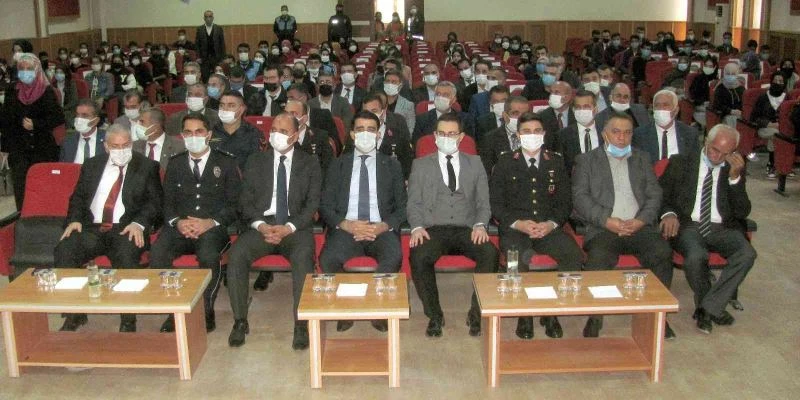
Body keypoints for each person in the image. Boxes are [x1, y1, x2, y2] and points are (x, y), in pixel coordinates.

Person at [572, 111, 675, 340]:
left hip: (639, 226)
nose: (622, 137)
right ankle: (595, 316)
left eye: (627, 133)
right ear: (604, 134)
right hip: (604, 228)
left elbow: (654, 195)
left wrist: (641, 220)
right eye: (616, 132)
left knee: (662, 253)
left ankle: (657, 316)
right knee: (598, 259)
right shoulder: (587, 160)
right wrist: (607, 221)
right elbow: (580, 198)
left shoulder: (642, 158)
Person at [226, 112, 321, 349]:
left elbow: (313, 204)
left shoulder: (310, 162)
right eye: (274, 130)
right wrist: (261, 225)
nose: (276, 135)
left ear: (295, 136)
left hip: (295, 227)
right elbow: (245, 201)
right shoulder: (256, 161)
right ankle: (240, 320)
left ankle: (301, 324)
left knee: (303, 257)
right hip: (263, 226)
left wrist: (288, 227)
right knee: (236, 255)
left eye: (284, 131)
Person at [54, 124, 162, 333]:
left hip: (126, 228)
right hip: (92, 227)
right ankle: (74, 313)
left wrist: (139, 223)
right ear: (105, 146)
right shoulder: (92, 165)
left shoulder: (147, 166)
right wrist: (74, 220)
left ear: (132, 144)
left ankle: (128, 318)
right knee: (65, 249)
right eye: (115, 146)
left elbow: (155, 203)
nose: (121, 150)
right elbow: (78, 197)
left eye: (126, 145)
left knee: (126, 255)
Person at [490, 112, 583, 339]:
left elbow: (565, 202)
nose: (532, 135)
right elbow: (496, 204)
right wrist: (518, 224)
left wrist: (551, 224)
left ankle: (552, 313)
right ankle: (525, 315)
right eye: (526, 131)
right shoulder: (505, 162)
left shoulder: (556, 161)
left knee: (572, 255)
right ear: (518, 135)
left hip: (547, 228)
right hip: (516, 229)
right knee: (516, 261)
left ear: (544, 134)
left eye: (537, 131)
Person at [658, 124, 755, 335]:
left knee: (747, 254)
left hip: (722, 227)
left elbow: (742, 211)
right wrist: (669, 214)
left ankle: (706, 308)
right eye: (714, 149)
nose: (718, 157)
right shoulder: (681, 162)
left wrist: (735, 179)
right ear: (706, 142)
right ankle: (711, 306)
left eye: (725, 153)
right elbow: (660, 196)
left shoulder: (733, 168)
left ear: (733, 153)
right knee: (696, 256)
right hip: (688, 225)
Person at [407, 113, 498, 337]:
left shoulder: (475, 163)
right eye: (442, 133)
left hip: (467, 227)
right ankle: (434, 315)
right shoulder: (420, 165)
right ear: (435, 136)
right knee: (419, 255)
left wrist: (480, 224)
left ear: (461, 137)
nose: (446, 138)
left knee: (490, 253)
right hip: (433, 228)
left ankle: (476, 313)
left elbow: (483, 203)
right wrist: (417, 227)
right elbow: (414, 202)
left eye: (452, 134)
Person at [151, 113, 240, 334]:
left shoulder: (226, 162)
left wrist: (211, 222)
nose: (194, 136)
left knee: (208, 255)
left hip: (212, 228)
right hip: (180, 227)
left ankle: (206, 309)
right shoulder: (175, 163)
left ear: (208, 134)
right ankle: (174, 309)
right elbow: (167, 202)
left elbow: (235, 204)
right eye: (188, 132)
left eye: (199, 131)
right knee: (158, 253)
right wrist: (178, 222)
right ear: (182, 136)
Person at [319, 111, 407, 332]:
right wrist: (346, 224)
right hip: (347, 228)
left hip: (381, 228)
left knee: (393, 256)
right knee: (328, 259)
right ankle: (347, 307)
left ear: (378, 134)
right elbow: (325, 205)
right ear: (352, 134)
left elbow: (403, 207)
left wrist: (383, 226)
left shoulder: (392, 165)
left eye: (371, 130)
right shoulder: (338, 164)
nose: (365, 134)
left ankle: (378, 309)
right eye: (360, 129)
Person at [0, 53, 64, 208]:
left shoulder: (46, 91)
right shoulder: (12, 90)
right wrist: (4, 148)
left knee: (43, 188)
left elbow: (57, 118)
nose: (25, 72)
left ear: (36, 70)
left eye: (29, 68)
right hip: (18, 147)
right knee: (22, 188)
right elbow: (6, 121)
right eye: (21, 68)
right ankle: (23, 217)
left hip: (42, 147)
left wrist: (36, 124)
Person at [355, 92, 413, 179]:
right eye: (366, 112)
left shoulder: (398, 126)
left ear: (383, 111)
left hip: (391, 178)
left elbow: (407, 158)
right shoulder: (357, 128)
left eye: (374, 111)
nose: (370, 116)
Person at [633, 89, 700, 163]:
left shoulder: (690, 134)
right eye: (657, 105)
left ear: (676, 110)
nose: (661, 109)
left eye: (666, 105)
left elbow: (693, 165)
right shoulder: (640, 134)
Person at [211, 90, 261, 170]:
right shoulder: (210, 132)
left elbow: (256, 164)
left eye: (231, 106)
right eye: (222, 105)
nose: (225, 109)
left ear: (242, 109)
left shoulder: (253, 133)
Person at [479, 95, 529, 175]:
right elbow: (486, 172)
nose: (520, 118)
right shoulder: (490, 139)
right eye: (515, 113)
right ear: (505, 116)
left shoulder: (536, 137)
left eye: (524, 114)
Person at [557, 90, 604, 174]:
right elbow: (561, 168)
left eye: (586, 106)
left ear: (595, 109)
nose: (582, 110)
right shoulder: (562, 136)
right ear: (573, 110)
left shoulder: (606, 132)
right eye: (578, 107)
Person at [286, 84, 342, 153]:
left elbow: (335, 141)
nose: (288, 101)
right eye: (287, 98)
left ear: (303, 98)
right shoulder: (285, 117)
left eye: (291, 98)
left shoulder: (323, 115)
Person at [750, 73, 786, 179]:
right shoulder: (763, 97)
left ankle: (782, 164)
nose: (778, 83)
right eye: (775, 80)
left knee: (779, 135)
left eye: (781, 81)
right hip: (764, 128)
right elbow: (753, 118)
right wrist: (769, 124)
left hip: (783, 128)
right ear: (771, 81)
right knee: (775, 134)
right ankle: (772, 163)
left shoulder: (786, 98)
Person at [60, 99, 106, 164]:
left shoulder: (108, 139)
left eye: (85, 115)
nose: (79, 119)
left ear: (96, 121)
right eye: (77, 115)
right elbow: (62, 167)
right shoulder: (68, 141)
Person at [309, 71, 354, 135]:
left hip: (338, 135)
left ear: (334, 86)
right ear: (317, 86)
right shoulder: (310, 103)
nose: (325, 84)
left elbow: (347, 124)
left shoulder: (343, 102)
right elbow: (309, 125)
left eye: (328, 82)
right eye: (321, 82)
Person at [538, 81, 575, 145]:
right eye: (551, 92)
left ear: (567, 97)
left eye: (556, 92)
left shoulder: (577, 114)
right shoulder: (542, 116)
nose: (552, 95)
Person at [195, 10, 226, 81]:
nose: (208, 18)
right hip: (204, 58)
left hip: (216, 57)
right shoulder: (200, 29)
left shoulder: (218, 28)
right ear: (204, 18)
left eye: (210, 16)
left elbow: (222, 43)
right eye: (206, 17)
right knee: (205, 77)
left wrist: (223, 57)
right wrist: (198, 57)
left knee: (218, 76)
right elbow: (197, 44)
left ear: (213, 18)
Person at [713, 62, 745, 128]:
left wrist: (740, 111)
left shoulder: (741, 88)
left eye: (733, 74)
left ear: (737, 74)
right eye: (728, 74)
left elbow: (744, 103)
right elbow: (717, 105)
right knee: (732, 119)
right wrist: (731, 111)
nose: (730, 76)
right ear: (724, 74)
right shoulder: (720, 88)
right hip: (725, 116)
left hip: (739, 115)